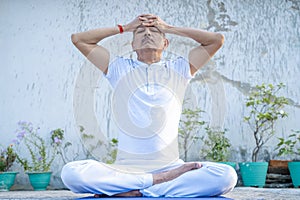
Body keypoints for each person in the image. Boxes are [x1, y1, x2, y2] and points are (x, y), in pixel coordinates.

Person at [61, 14, 237, 197]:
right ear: (132, 45)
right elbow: (79, 39)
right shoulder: (118, 68)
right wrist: (125, 27)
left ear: (165, 43)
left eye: (154, 30)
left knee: (226, 176)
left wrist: (169, 27)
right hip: (126, 170)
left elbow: (216, 40)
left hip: (171, 167)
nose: (147, 33)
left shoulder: (179, 69)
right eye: (140, 31)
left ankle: (133, 190)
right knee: (71, 173)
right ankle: (154, 184)